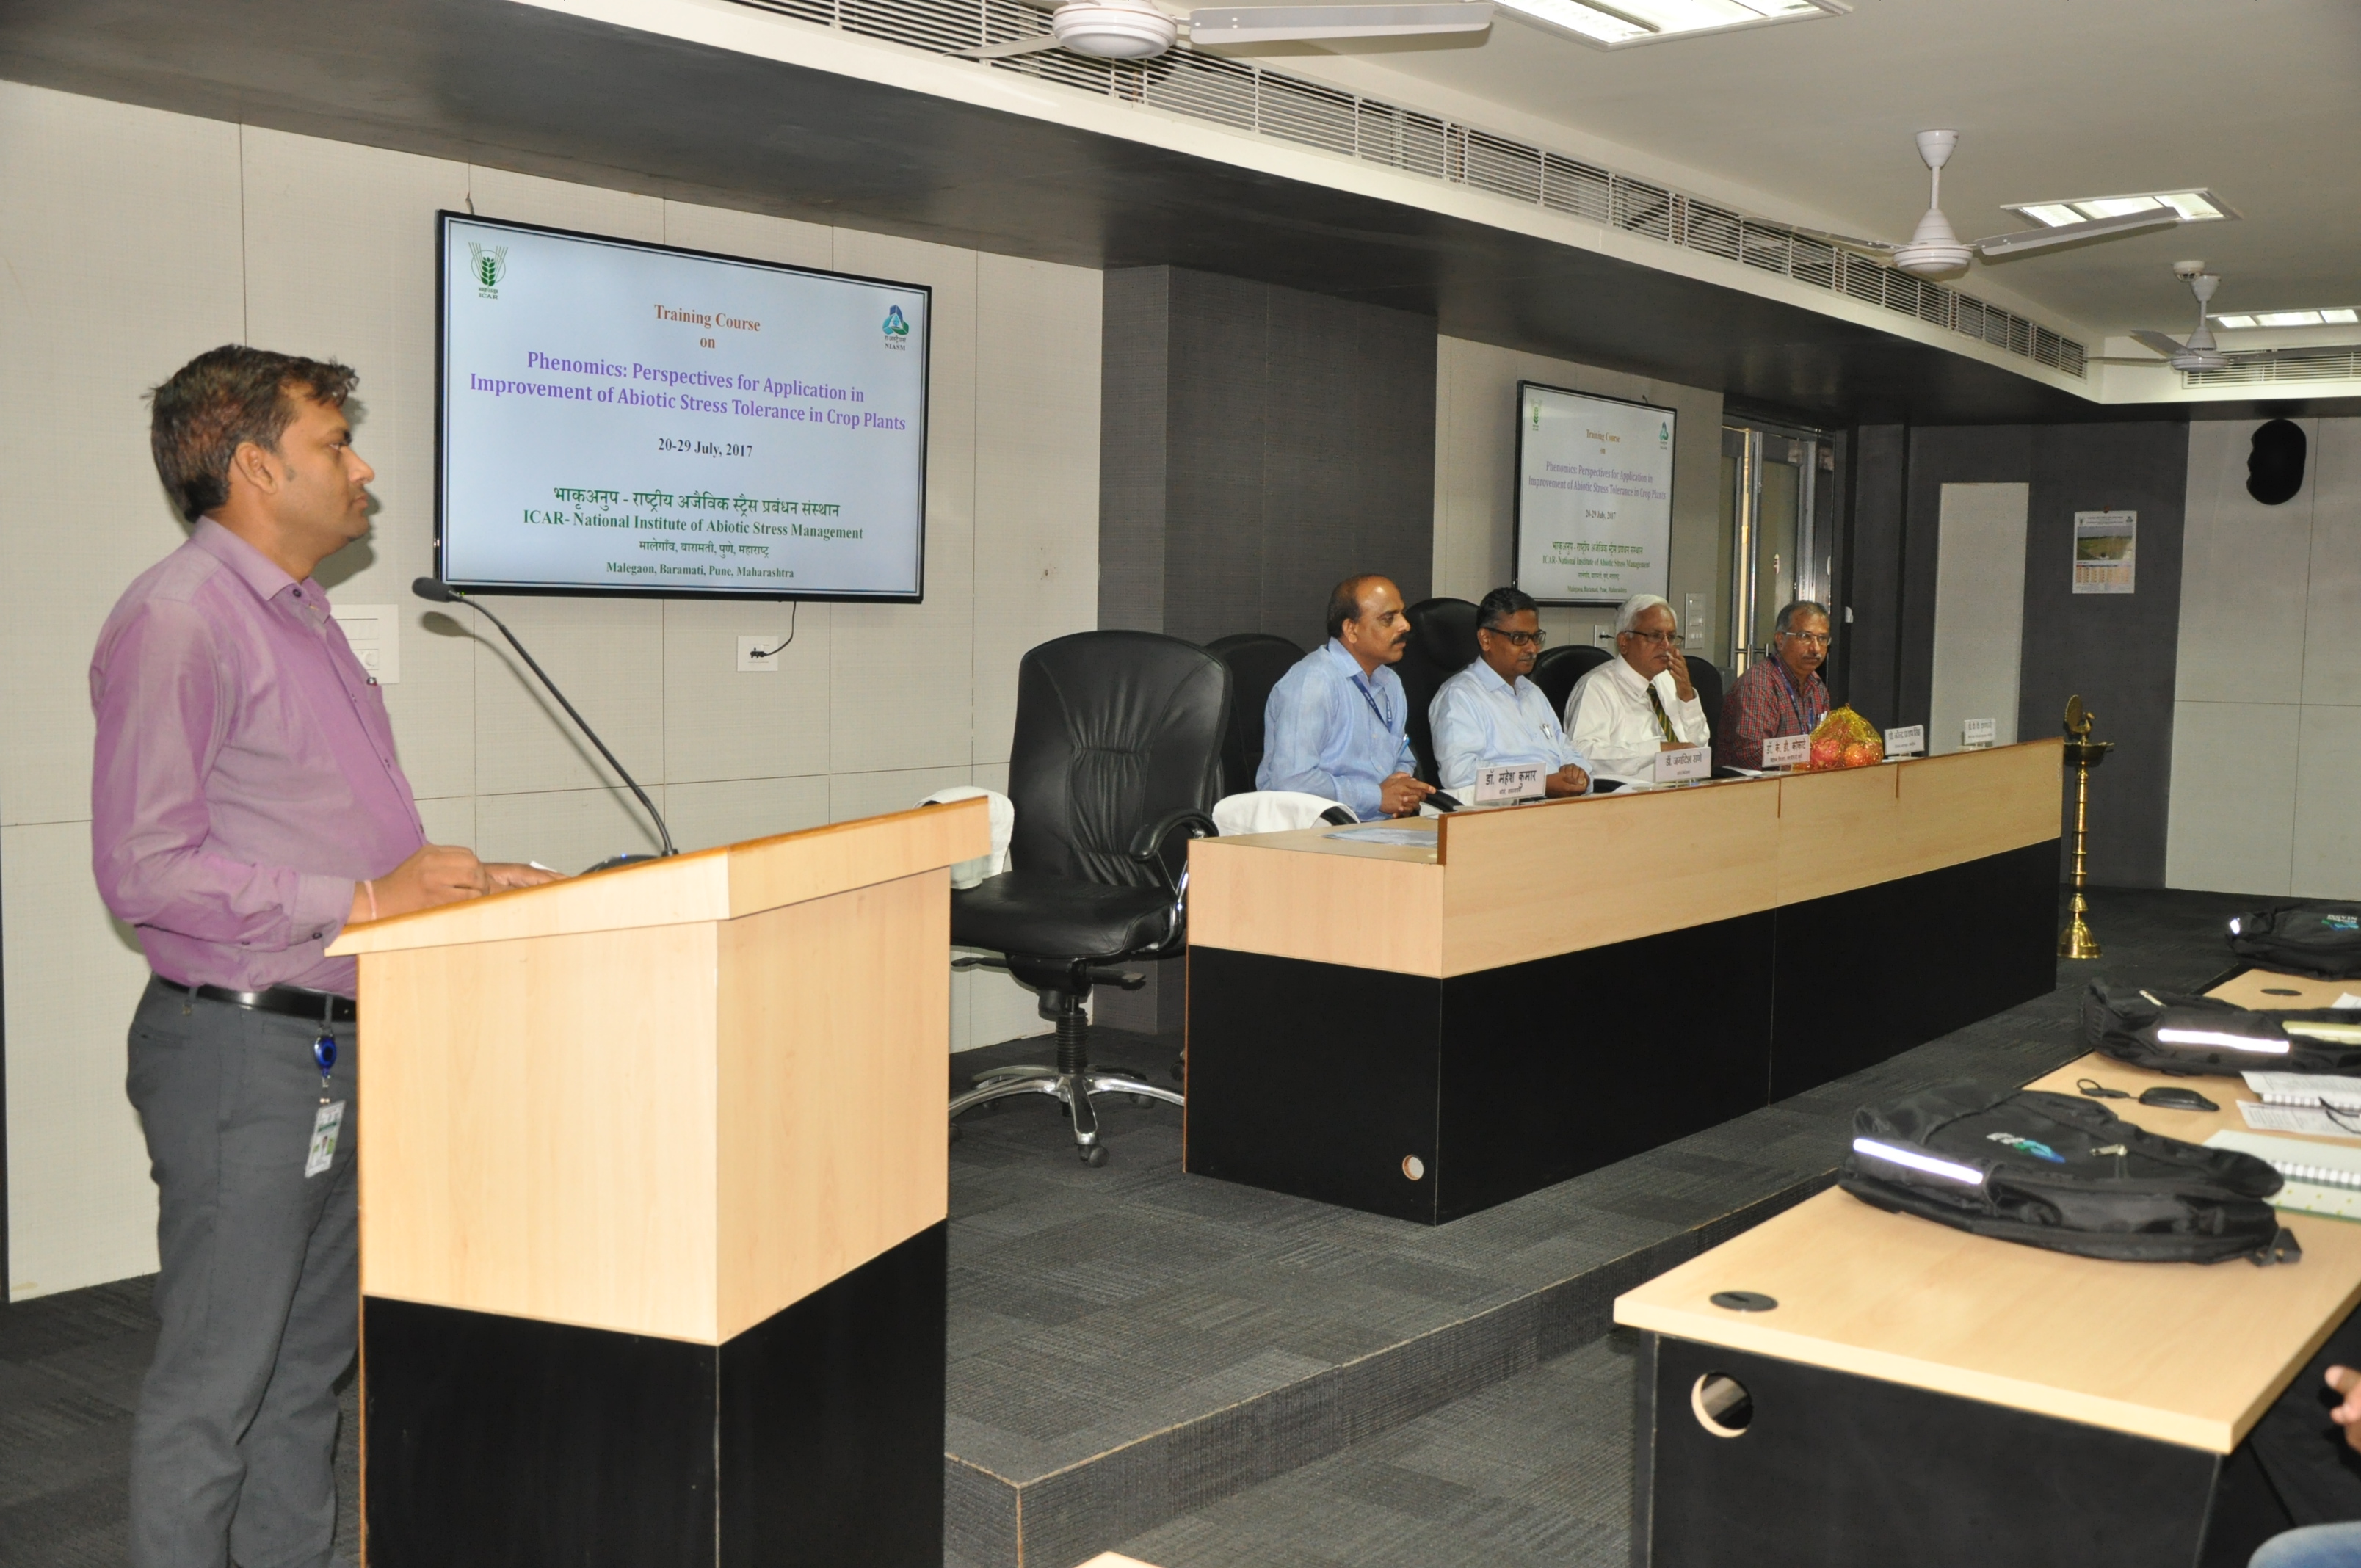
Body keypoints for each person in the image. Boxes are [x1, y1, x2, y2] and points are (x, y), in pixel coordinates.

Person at [91, 345, 557, 1568]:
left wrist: (452, 889)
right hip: (241, 1053)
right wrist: (364, 896)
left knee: (303, 1376)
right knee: (218, 1388)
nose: (364, 469)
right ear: (255, 466)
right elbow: (143, 868)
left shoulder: (299, 615)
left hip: (339, 1041)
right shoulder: (180, 619)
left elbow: (316, 830)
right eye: (336, 443)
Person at [1259, 573, 1433, 819]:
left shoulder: (1390, 682)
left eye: (1402, 614)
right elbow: (1292, 781)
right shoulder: (1313, 682)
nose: (1405, 625)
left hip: (1380, 827)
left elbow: (1402, 757)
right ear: (1351, 629)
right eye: (1389, 618)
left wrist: (1402, 790)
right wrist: (1376, 797)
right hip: (1316, 829)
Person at [1429, 586, 1592, 798]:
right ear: (1486, 639)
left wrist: (1579, 773)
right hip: (1506, 810)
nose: (1532, 649)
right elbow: (1458, 776)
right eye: (1519, 638)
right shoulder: (1459, 696)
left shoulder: (1532, 692)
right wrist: (1540, 785)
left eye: (1535, 637)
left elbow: (1565, 749)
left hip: (1556, 805)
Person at [1563, 592, 1709, 781]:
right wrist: (1657, 750)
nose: (1666, 645)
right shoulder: (1596, 687)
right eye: (1655, 636)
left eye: (1671, 636)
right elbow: (1582, 754)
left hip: (1683, 790)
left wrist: (1687, 698)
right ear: (1624, 642)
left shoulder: (1669, 680)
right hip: (1628, 794)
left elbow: (1699, 749)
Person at [1716, 598, 1833, 770]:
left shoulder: (1817, 687)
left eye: (1822, 639)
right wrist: (1805, 761)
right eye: (1805, 637)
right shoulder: (1759, 685)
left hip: (1800, 780)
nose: (1815, 648)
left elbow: (1824, 746)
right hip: (1755, 783)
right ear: (1780, 640)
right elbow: (1752, 754)